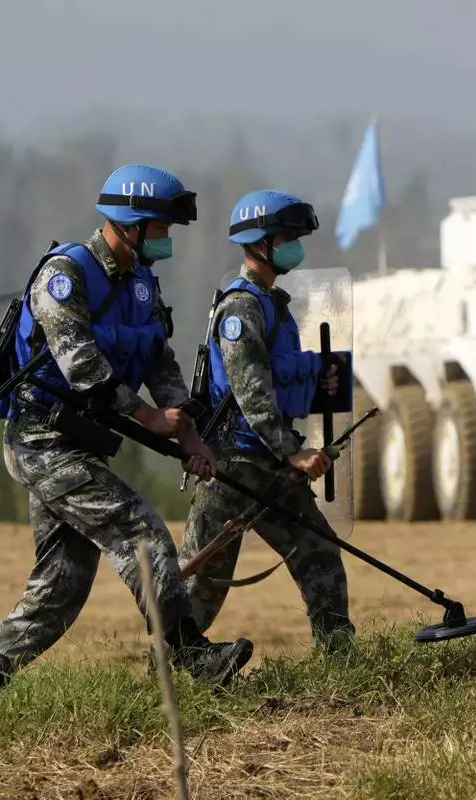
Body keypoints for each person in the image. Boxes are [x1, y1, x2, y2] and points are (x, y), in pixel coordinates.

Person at [0, 164, 254, 692]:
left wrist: (187, 430)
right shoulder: (65, 276)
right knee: (140, 530)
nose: (167, 239)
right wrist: (148, 417)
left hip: (83, 442)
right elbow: (82, 367)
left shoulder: (141, 282)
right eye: (161, 228)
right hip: (42, 440)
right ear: (130, 224)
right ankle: (191, 654)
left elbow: (158, 358)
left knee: (63, 580)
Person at [177, 189, 355, 654]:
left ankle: (340, 656)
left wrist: (320, 377)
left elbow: (279, 378)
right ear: (259, 243)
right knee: (202, 578)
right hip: (233, 465)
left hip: (268, 462)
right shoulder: (241, 308)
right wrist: (292, 453)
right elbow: (249, 389)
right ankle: (173, 667)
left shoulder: (273, 304)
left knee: (319, 552)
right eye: (287, 238)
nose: (295, 246)